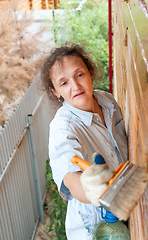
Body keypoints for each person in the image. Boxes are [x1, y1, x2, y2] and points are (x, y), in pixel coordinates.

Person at [41, 44, 128, 240]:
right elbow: (70, 176)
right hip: (96, 230)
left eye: (79, 75)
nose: (75, 86)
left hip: (126, 206)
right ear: (55, 91)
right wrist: (89, 187)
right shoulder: (62, 129)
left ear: (89, 72)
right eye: (64, 83)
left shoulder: (107, 101)